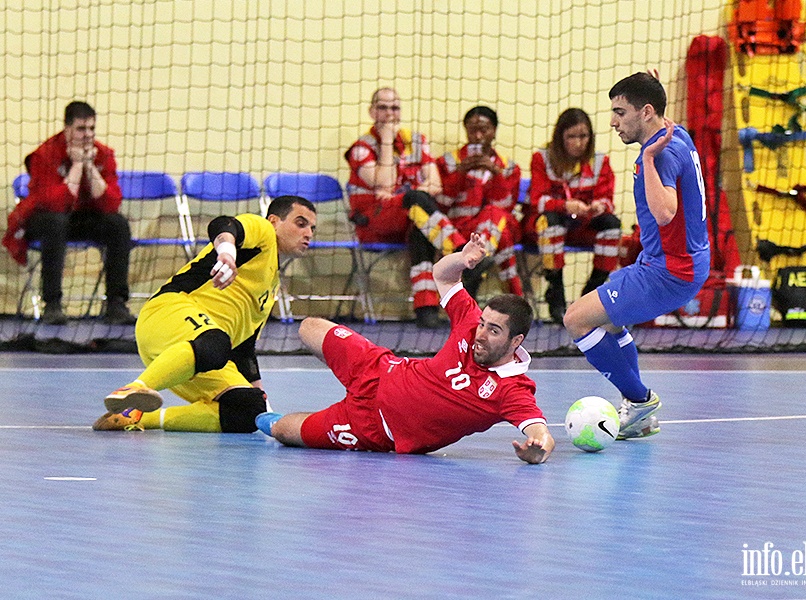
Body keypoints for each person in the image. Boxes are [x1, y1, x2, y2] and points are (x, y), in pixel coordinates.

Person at [255, 233, 555, 464]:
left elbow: (540, 433)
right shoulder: (470, 322)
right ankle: (335, 373)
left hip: (372, 427)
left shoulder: (512, 390)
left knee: (283, 430)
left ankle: (267, 412)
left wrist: (537, 451)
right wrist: (462, 259)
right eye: (482, 324)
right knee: (309, 326)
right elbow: (442, 274)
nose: (481, 334)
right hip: (379, 368)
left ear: (516, 341)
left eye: (493, 330)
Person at [563, 73, 710, 439]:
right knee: (611, 322)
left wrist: (646, 159)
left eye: (619, 112)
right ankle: (639, 412)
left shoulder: (658, 156)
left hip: (671, 271)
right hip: (672, 262)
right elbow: (658, 113)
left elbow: (665, 213)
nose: (613, 122)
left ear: (645, 112)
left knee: (576, 320)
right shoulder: (676, 133)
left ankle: (640, 401)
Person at [91, 195, 317, 433]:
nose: (308, 233)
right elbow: (224, 224)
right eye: (300, 224)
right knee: (218, 342)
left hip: (199, 353)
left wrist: (265, 410)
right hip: (167, 313)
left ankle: (135, 416)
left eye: (312, 228)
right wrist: (228, 252)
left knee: (248, 410)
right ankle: (136, 388)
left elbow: (244, 351)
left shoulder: (270, 288)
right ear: (274, 221)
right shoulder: (263, 232)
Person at [2, 101, 135, 325]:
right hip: (43, 219)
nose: (88, 135)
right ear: (67, 129)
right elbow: (55, 204)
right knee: (55, 222)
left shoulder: (102, 154)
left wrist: (90, 167)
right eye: (81, 129)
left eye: (92, 128)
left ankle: (116, 305)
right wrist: (76, 166)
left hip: (79, 219)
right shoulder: (44, 154)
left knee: (118, 224)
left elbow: (110, 204)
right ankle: (52, 305)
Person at [345, 87, 467, 328]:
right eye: (383, 107)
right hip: (374, 223)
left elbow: (436, 185)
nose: (390, 113)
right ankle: (461, 253)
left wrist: (398, 192)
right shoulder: (361, 148)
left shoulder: (417, 141)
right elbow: (385, 181)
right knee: (416, 200)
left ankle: (426, 310)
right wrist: (388, 142)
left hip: (409, 217)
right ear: (372, 112)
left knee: (421, 227)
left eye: (395, 107)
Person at [522, 108, 620, 324]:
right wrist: (565, 205)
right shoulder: (542, 158)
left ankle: (591, 293)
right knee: (551, 222)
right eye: (572, 137)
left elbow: (609, 199)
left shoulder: (599, 161)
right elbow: (536, 201)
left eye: (583, 136)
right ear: (561, 137)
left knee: (612, 225)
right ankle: (555, 292)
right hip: (545, 226)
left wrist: (598, 206)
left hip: (583, 225)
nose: (578, 143)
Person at [436, 105, 524, 299]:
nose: (477, 136)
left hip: (495, 227)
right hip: (460, 232)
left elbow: (507, 206)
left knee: (495, 214)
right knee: (505, 237)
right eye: (472, 130)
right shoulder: (447, 162)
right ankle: (517, 299)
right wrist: (459, 174)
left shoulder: (508, 167)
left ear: (493, 132)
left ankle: (475, 263)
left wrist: (495, 173)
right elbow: (442, 204)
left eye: (483, 130)